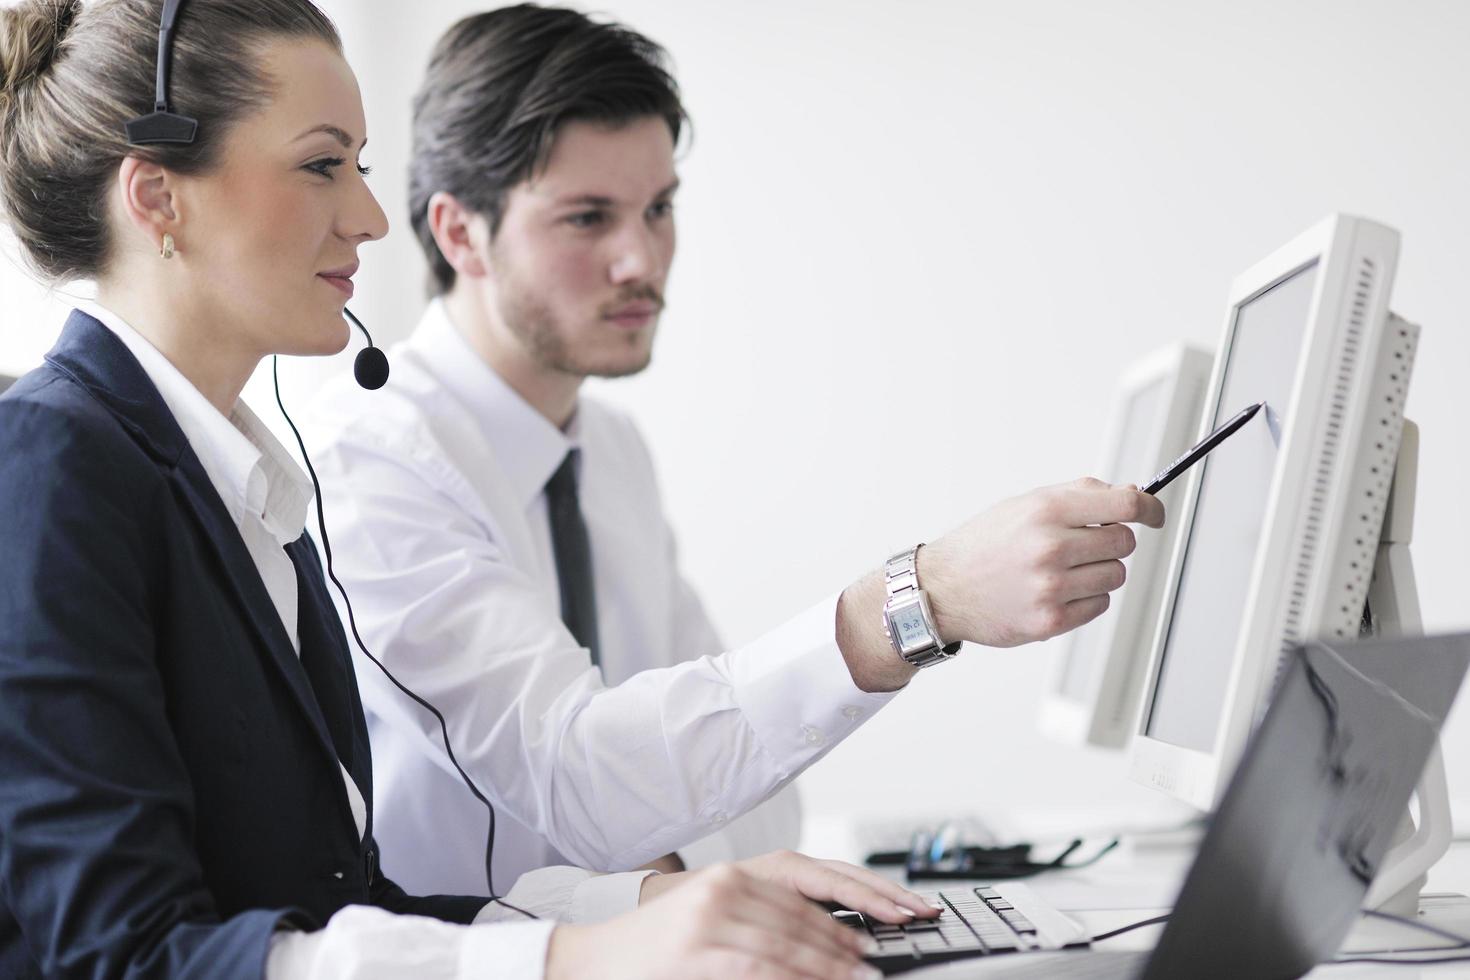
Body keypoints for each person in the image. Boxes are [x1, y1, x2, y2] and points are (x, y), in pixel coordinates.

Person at [0, 2, 952, 978]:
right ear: (158, 198)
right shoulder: (49, 458)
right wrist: (582, 954)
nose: (371, 219)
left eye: (360, 168)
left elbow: (338, 905)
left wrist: (648, 904)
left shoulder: (247, 487)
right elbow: (123, 958)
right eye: (324, 163)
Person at [304, 2, 1165, 902]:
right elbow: (582, 781)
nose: (641, 259)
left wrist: (688, 890)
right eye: (589, 218)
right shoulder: (372, 464)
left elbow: (758, 801)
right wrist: (921, 598)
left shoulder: (609, 450)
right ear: (458, 233)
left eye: (659, 208)